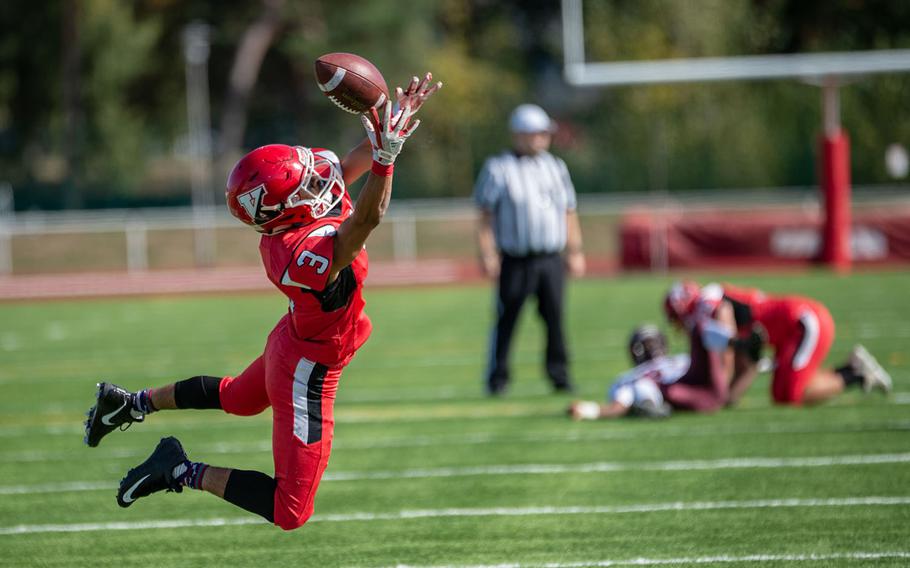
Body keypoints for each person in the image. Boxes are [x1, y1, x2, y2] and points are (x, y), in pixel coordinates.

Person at [82, 73, 441, 530]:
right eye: (308, 184)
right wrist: (387, 159)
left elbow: (350, 167)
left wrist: (392, 120)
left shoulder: (292, 215)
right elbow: (369, 216)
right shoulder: (301, 250)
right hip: (308, 370)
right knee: (290, 510)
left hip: (290, 342)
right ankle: (181, 470)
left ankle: (132, 403)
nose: (323, 182)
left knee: (237, 397)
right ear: (286, 209)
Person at [474, 103, 586, 396]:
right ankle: (498, 378)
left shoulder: (555, 166)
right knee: (507, 318)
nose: (541, 138)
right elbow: (485, 216)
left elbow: (569, 211)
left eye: (543, 133)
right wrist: (488, 254)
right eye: (535, 133)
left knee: (555, 318)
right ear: (519, 134)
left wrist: (575, 251)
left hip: (550, 257)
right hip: (515, 258)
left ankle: (559, 375)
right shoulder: (499, 168)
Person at [663, 280, 892, 407]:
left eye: (675, 318)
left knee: (790, 395)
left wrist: (719, 389)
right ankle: (852, 369)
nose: (678, 326)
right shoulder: (714, 308)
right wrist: (728, 397)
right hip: (789, 332)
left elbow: (728, 348)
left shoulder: (709, 302)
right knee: (780, 393)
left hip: (804, 322)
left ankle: (857, 374)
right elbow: (748, 364)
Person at [569, 323, 731, 420]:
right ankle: (740, 344)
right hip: (707, 390)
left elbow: (618, 407)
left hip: (676, 393)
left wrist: (586, 409)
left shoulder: (632, 376)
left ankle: (649, 405)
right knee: (700, 329)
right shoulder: (680, 359)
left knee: (642, 385)